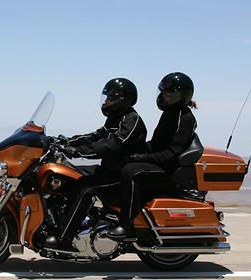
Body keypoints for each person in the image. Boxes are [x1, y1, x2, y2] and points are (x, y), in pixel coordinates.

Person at [45, 78, 147, 251]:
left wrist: (78, 152)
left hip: (120, 174)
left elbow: (111, 145)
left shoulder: (131, 121)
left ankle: (64, 239)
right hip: (109, 169)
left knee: (85, 188)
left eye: (111, 98)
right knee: (70, 175)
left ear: (123, 100)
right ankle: (64, 221)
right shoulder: (117, 118)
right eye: (106, 98)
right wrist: (66, 142)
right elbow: (96, 136)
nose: (106, 102)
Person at [107, 72, 198, 240]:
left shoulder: (184, 118)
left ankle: (126, 225)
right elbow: (157, 144)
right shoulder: (171, 113)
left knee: (131, 172)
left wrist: (141, 158)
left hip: (168, 168)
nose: (165, 97)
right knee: (120, 162)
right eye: (164, 92)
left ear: (182, 96)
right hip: (161, 162)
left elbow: (172, 153)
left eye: (170, 94)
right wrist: (136, 150)